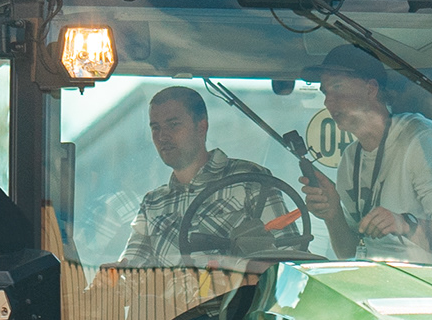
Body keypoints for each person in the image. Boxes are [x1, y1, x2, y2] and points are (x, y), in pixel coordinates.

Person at [295, 46, 432, 263]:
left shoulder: (422, 141)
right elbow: (349, 252)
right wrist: (333, 213)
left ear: (371, 89)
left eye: (337, 87)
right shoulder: (350, 158)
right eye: (326, 92)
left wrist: (404, 224)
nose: (328, 102)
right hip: (379, 281)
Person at [117, 84, 305, 267]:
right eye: (155, 128)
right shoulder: (153, 203)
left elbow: (289, 255)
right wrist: (115, 273)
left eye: (173, 125)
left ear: (201, 127)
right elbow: (130, 267)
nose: (162, 136)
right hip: (170, 290)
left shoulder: (250, 180)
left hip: (239, 289)